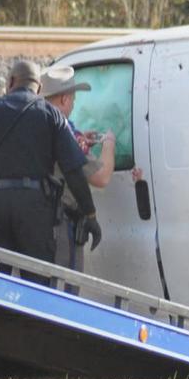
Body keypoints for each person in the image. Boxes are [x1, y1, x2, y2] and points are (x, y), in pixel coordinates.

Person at [0, 60, 101, 275]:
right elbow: (73, 170)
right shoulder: (52, 115)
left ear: (10, 82)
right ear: (39, 88)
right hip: (35, 212)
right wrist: (90, 215)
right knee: (36, 285)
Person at [39, 65, 115, 271]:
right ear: (64, 99)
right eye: (73, 99)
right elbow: (101, 177)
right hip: (61, 224)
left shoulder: (37, 122)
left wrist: (80, 141)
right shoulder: (64, 130)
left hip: (36, 221)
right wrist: (109, 144)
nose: (73, 105)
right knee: (65, 289)